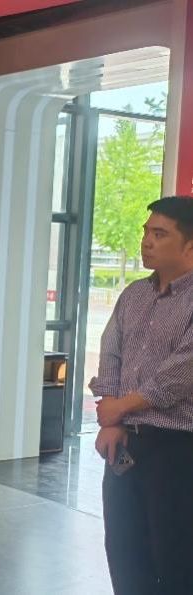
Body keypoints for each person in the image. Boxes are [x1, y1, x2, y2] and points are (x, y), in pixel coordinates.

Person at [89, 196, 193, 595]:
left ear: (189, 246)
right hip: (126, 442)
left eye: (160, 234)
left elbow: (183, 370)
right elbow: (111, 353)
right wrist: (112, 417)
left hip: (177, 447)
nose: (146, 241)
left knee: (175, 556)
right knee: (124, 549)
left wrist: (123, 406)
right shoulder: (134, 294)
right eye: (146, 232)